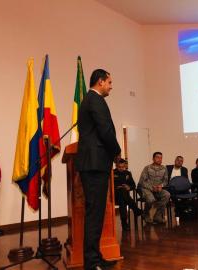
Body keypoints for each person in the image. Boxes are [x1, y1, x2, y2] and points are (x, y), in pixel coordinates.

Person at [75, 69, 121, 270]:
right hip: (95, 164)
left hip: (93, 163)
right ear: (100, 81)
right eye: (109, 82)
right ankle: (91, 263)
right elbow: (105, 130)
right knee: (95, 213)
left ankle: (95, 257)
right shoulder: (95, 100)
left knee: (96, 212)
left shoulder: (89, 100)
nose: (111, 86)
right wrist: (117, 151)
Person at [138, 152, 170, 224]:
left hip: (158, 189)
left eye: (161, 157)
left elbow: (165, 181)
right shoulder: (147, 168)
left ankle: (157, 216)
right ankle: (146, 213)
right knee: (151, 199)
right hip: (147, 189)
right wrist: (152, 188)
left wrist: (161, 186)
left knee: (167, 195)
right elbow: (142, 181)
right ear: (153, 158)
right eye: (157, 157)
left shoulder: (164, 168)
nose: (159, 159)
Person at [113, 159, 142, 231]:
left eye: (123, 167)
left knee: (122, 202)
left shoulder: (128, 173)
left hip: (123, 197)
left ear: (125, 166)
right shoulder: (113, 173)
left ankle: (124, 224)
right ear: (116, 166)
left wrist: (129, 187)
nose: (122, 168)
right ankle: (136, 210)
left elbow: (133, 185)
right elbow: (109, 186)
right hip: (115, 196)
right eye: (120, 167)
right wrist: (117, 187)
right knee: (121, 192)